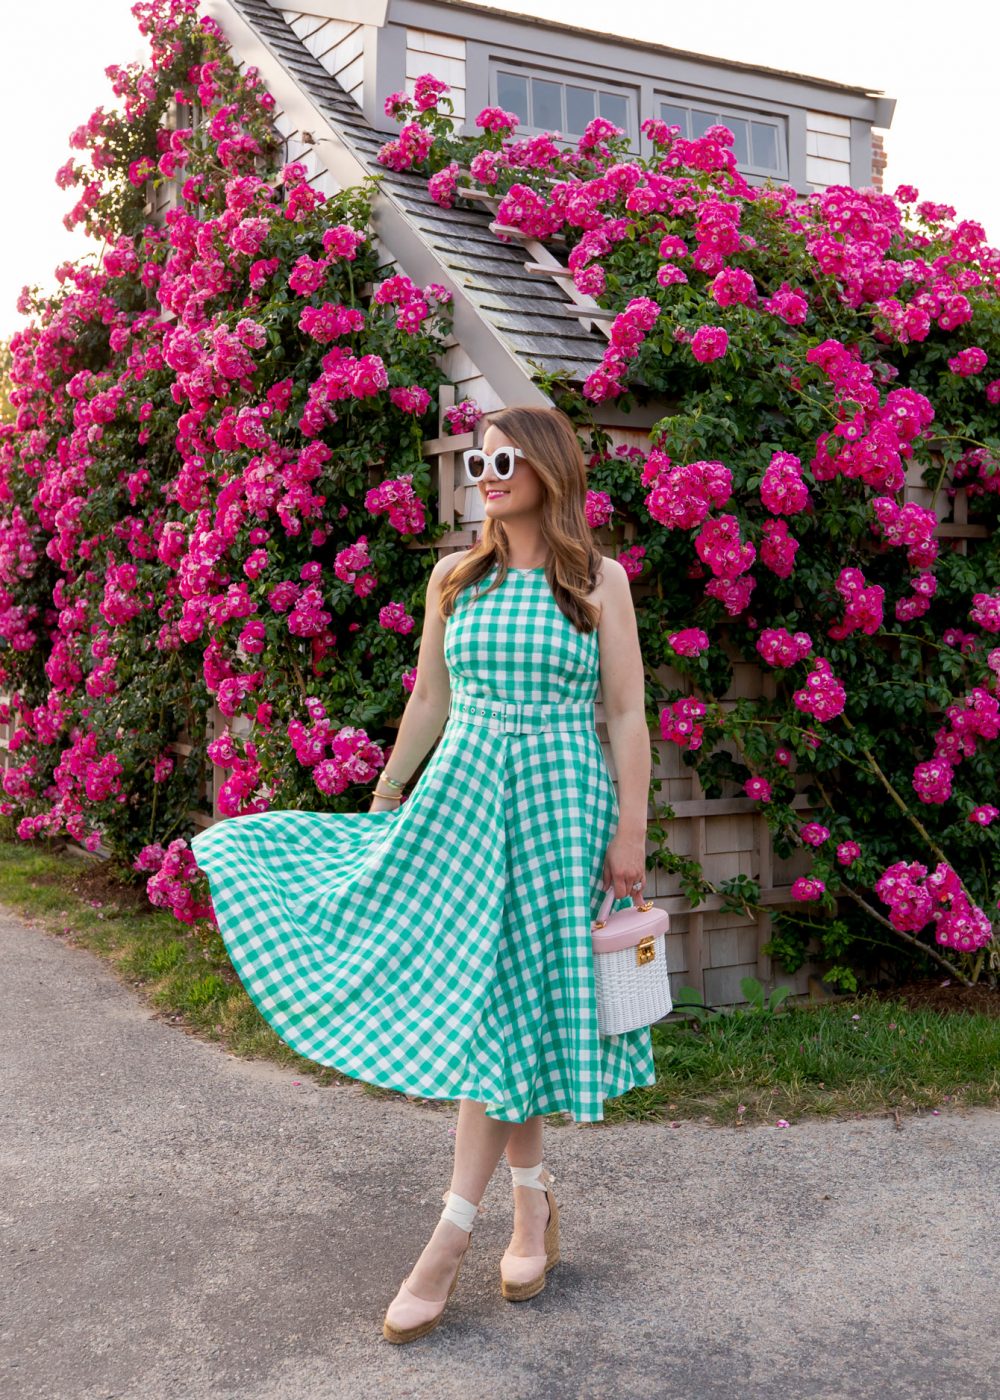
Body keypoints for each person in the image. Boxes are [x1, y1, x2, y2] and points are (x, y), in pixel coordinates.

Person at [190, 404, 656, 1344]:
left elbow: (626, 713)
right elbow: (431, 696)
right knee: (496, 1006)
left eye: (503, 458)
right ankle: (530, 1204)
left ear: (549, 469)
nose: (485, 473)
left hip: (563, 808)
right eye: (477, 459)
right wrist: (388, 793)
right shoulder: (456, 575)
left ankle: (452, 1236)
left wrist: (633, 832)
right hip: (465, 798)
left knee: (509, 1002)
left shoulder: (597, 581)